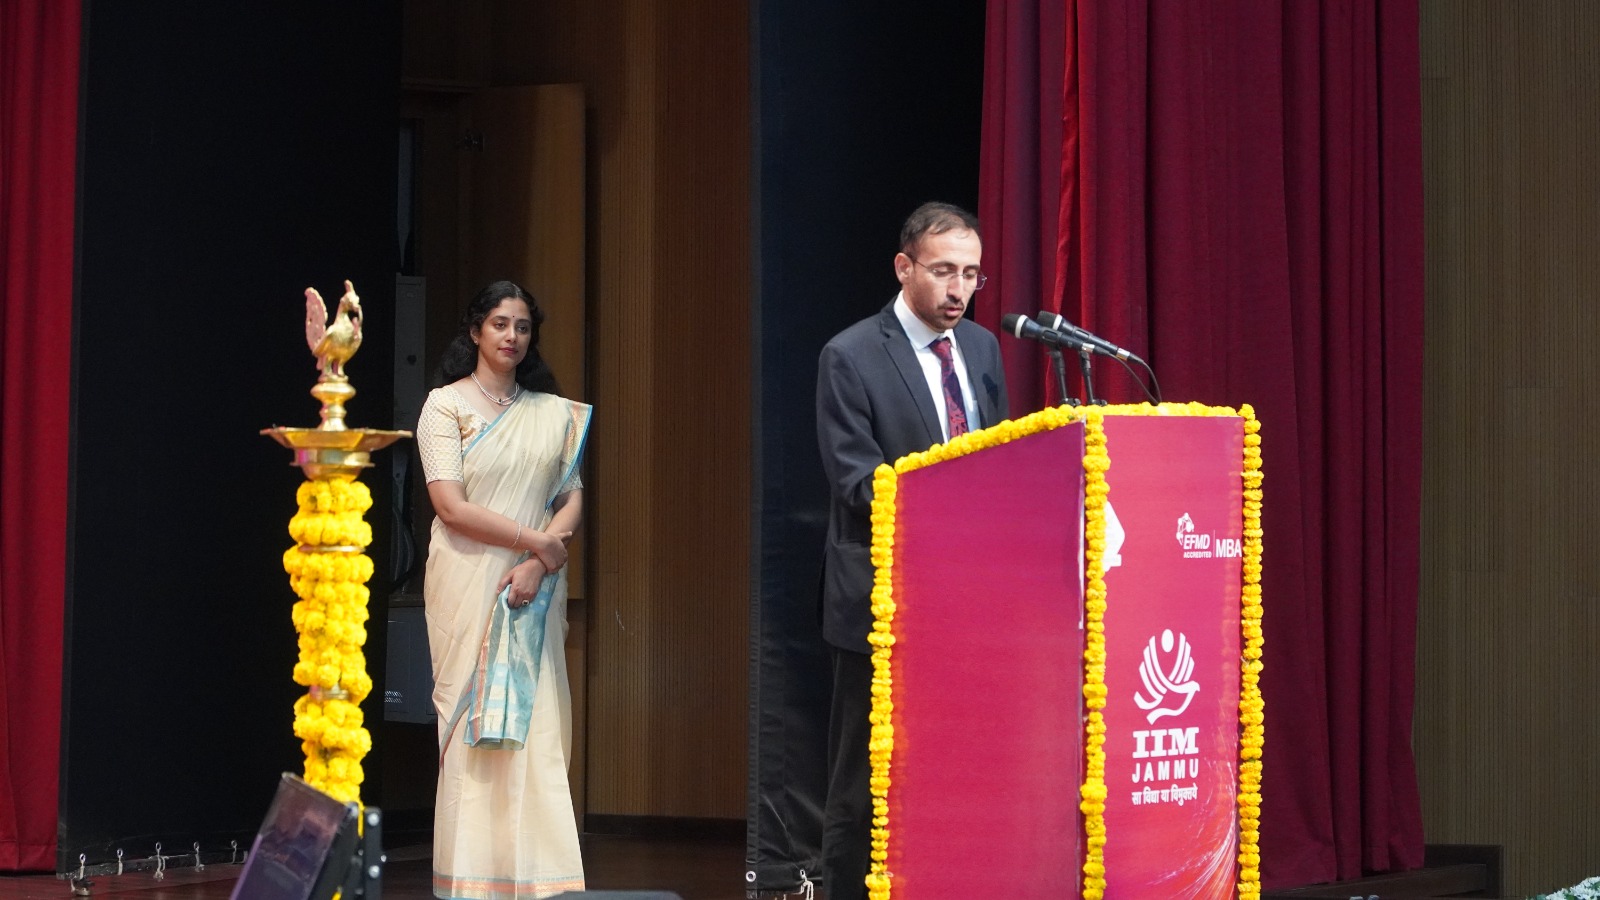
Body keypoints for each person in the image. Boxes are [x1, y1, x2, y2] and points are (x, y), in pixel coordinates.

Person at [814, 202, 1009, 900]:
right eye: (944, 271)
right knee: (864, 780)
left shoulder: (982, 349)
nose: (959, 290)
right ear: (904, 267)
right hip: (885, 599)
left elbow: (999, 459)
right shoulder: (850, 355)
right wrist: (953, 511)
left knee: (960, 767)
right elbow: (857, 480)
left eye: (971, 275)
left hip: (970, 600)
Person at [417, 281, 592, 899]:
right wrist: (535, 541)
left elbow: (571, 497)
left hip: (532, 591)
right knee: (472, 723)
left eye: (522, 326)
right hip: (467, 584)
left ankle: (542, 882)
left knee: (537, 724)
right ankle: (473, 880)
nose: (511, 336)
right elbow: (449, 506)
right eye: (499, 324)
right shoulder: (444, 406)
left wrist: (539, 561)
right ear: (475, 331)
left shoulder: (552, 413)